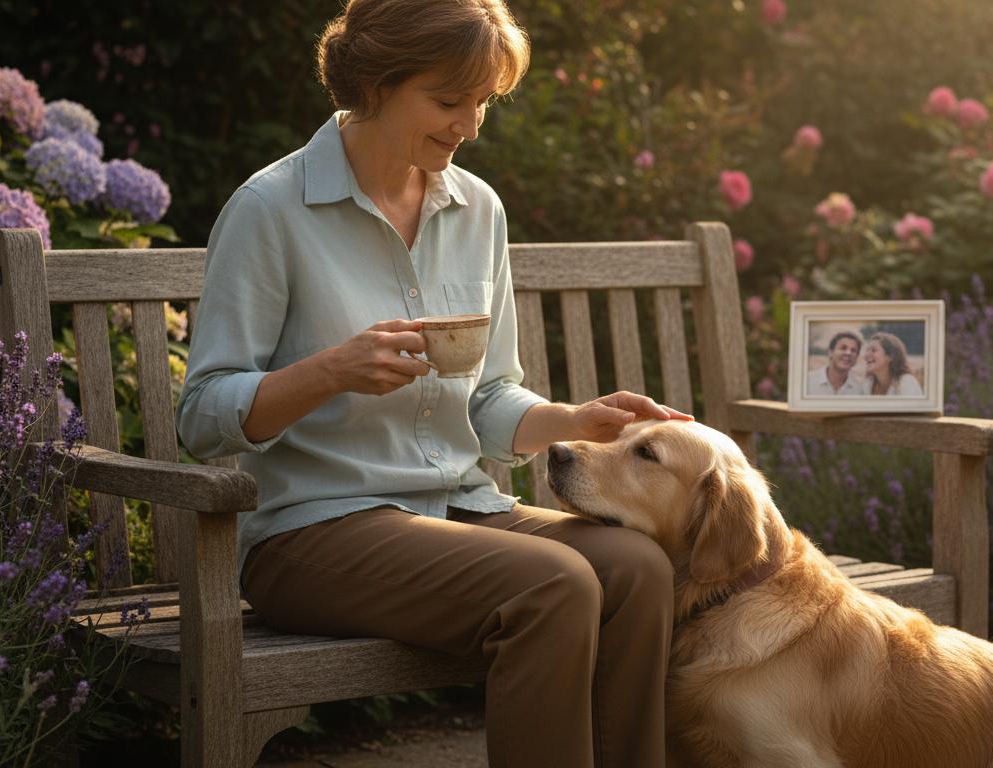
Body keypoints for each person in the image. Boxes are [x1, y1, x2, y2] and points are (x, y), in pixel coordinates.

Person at [175, 2, 691, 766]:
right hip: (311, 533)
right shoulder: (271, 210)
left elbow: (488, 398)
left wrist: (575, 420)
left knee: (639, 571)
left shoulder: (476, 210)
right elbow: (201, 416)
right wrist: (329, 371)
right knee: (554, 584)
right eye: (449, 101)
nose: (471, 124)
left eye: (483, 101)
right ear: (376, 85)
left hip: (458, 508)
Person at [862, 332, 924, 396]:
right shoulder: (867, 384)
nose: (866, 355)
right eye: (867, 350)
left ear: (891, 356)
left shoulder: (906, 382)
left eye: (873, 350)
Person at [806, 330, 864, 396]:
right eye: (843, 348)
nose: (848, 353)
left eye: (853, 350)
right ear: (830, 353)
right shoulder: (808, 381)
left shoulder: (860, 388)